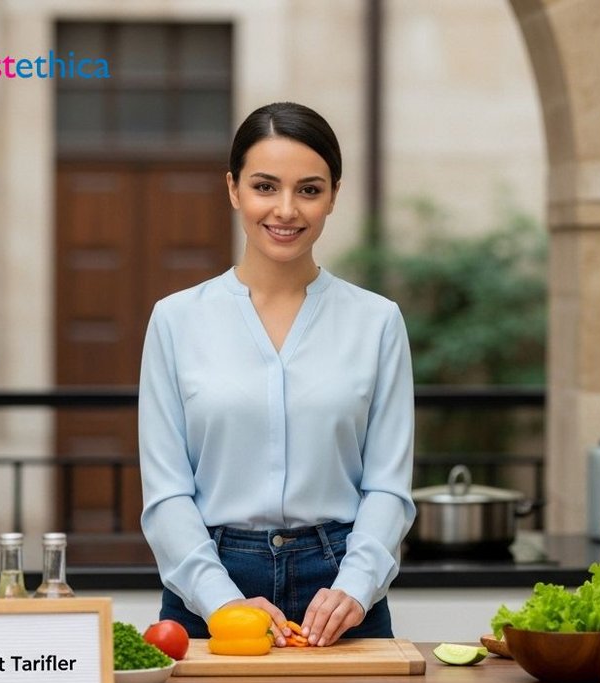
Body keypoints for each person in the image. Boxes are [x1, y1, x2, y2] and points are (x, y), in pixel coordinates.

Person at [139, 102, 415, 647]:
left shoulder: (377, 321)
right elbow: (166, 491)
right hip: (207, 589)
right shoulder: (176, 320)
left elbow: (387, 483)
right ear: (233, 189)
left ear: (334, 194)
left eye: (309, 190)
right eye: (265, 186)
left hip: (338, 594)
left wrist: (356, 587)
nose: (286, 210)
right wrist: (221, 600)